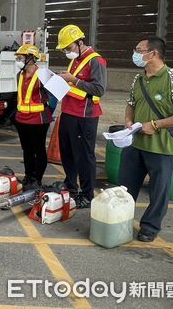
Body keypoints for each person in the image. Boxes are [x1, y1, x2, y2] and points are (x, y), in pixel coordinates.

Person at [120, 36, 173, 242]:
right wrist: (128, 120)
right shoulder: (138, 78)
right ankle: (120, 221)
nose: (136, 53)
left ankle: (150, 227)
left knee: (159, 192)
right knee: (125, 188)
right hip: (135, 144)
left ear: (153, 54)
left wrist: (156, 125)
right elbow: (131, 103)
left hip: (162, 147)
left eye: (139, 49)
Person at [56, 24, 107, 208]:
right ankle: (71, 185)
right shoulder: (75, 59)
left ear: (79, 42)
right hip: (68, 112)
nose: (67, 52)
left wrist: (73, 79)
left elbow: (99, 90)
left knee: (84, 156)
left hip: (85, 116)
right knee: (67, 152)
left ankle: (87, 194)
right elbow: (73, 86)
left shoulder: (96, 61)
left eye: (68, 48)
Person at [13, 44, 52, 189]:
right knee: (26, 149)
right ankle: (28, 175)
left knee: (39, 149)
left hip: (39, 120)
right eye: (18, 58)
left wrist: (47, 111)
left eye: (20, 58)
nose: (18, 60)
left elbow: (53, 97)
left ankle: (37, 178)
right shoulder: (20, 75)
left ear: (30, 58)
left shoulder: (43, 74)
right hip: (22, 118)